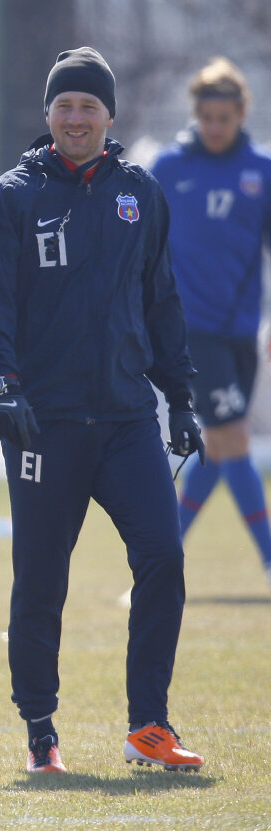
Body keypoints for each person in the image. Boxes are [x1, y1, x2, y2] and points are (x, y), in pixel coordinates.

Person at [0, 47, 207, 775]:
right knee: (42, 576)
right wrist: (1, 381)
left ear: (110, 117)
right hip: (45, 420)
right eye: (64, 105)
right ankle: (42, 731)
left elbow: (161, 301)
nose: (76, 117)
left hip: (128, 417)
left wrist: (180, 394)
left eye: (89, 106)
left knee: (163, 557)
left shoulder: (141, 193)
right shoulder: (13, 196)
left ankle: (149, 726)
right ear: (48, 116)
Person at [151, 57, 271, 589]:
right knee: (234, 436)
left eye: (225, 117)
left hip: (242, 332)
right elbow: (140, 244)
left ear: (242, 113)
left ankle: (158, 563)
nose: (215, 127)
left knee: (219, 451)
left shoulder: (262, 172)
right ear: (196, 114)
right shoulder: (170, 169)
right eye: (207, 117)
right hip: (190, 329)